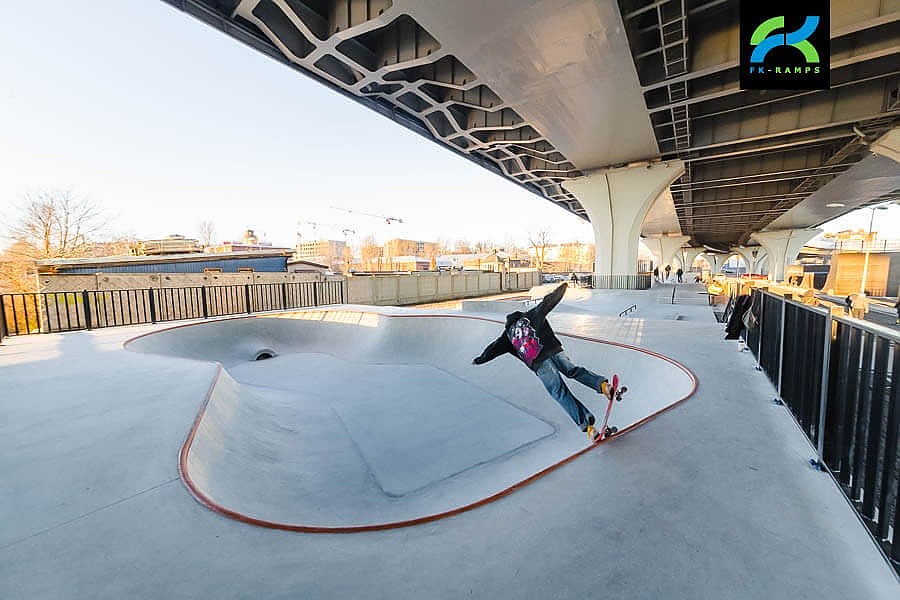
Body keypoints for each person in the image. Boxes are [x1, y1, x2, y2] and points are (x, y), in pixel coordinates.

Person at [472, 282, 612, 442]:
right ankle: (602, 385)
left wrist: (479, 360)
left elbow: (492, 349)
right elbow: (547, 303)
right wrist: (561, 289)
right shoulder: (530, 315)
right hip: (555, 351)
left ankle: (588, 427)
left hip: (539, 364)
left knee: (559, 392)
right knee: (573, 370)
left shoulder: (507, 336)